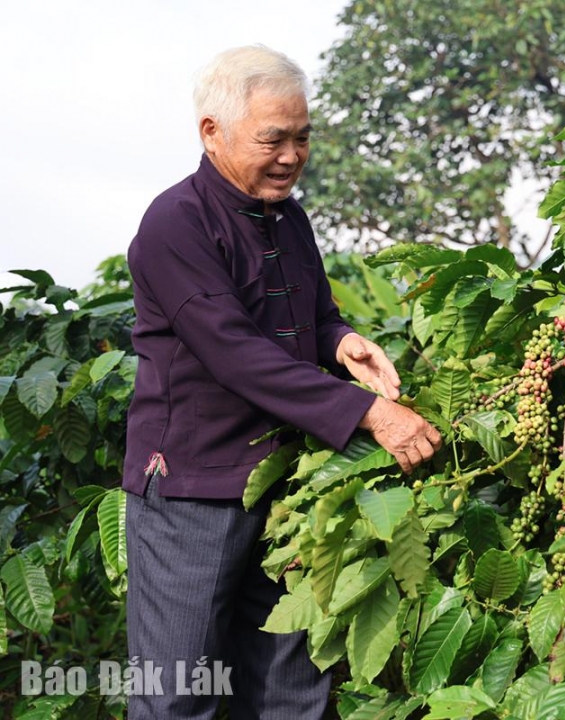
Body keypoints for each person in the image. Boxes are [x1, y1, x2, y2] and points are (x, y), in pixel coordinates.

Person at [122, 45, 442, 719]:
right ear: (212, 133)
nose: (292, 156)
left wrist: (343, 342)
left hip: (285, 488)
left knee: (291, 690)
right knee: (179, 694)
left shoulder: (288, 217)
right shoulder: (175, 223)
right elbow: (233, 350)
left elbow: (312, 315)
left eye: (302, 138)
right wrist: (373, 415)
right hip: (192, 491)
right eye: (273, 139)